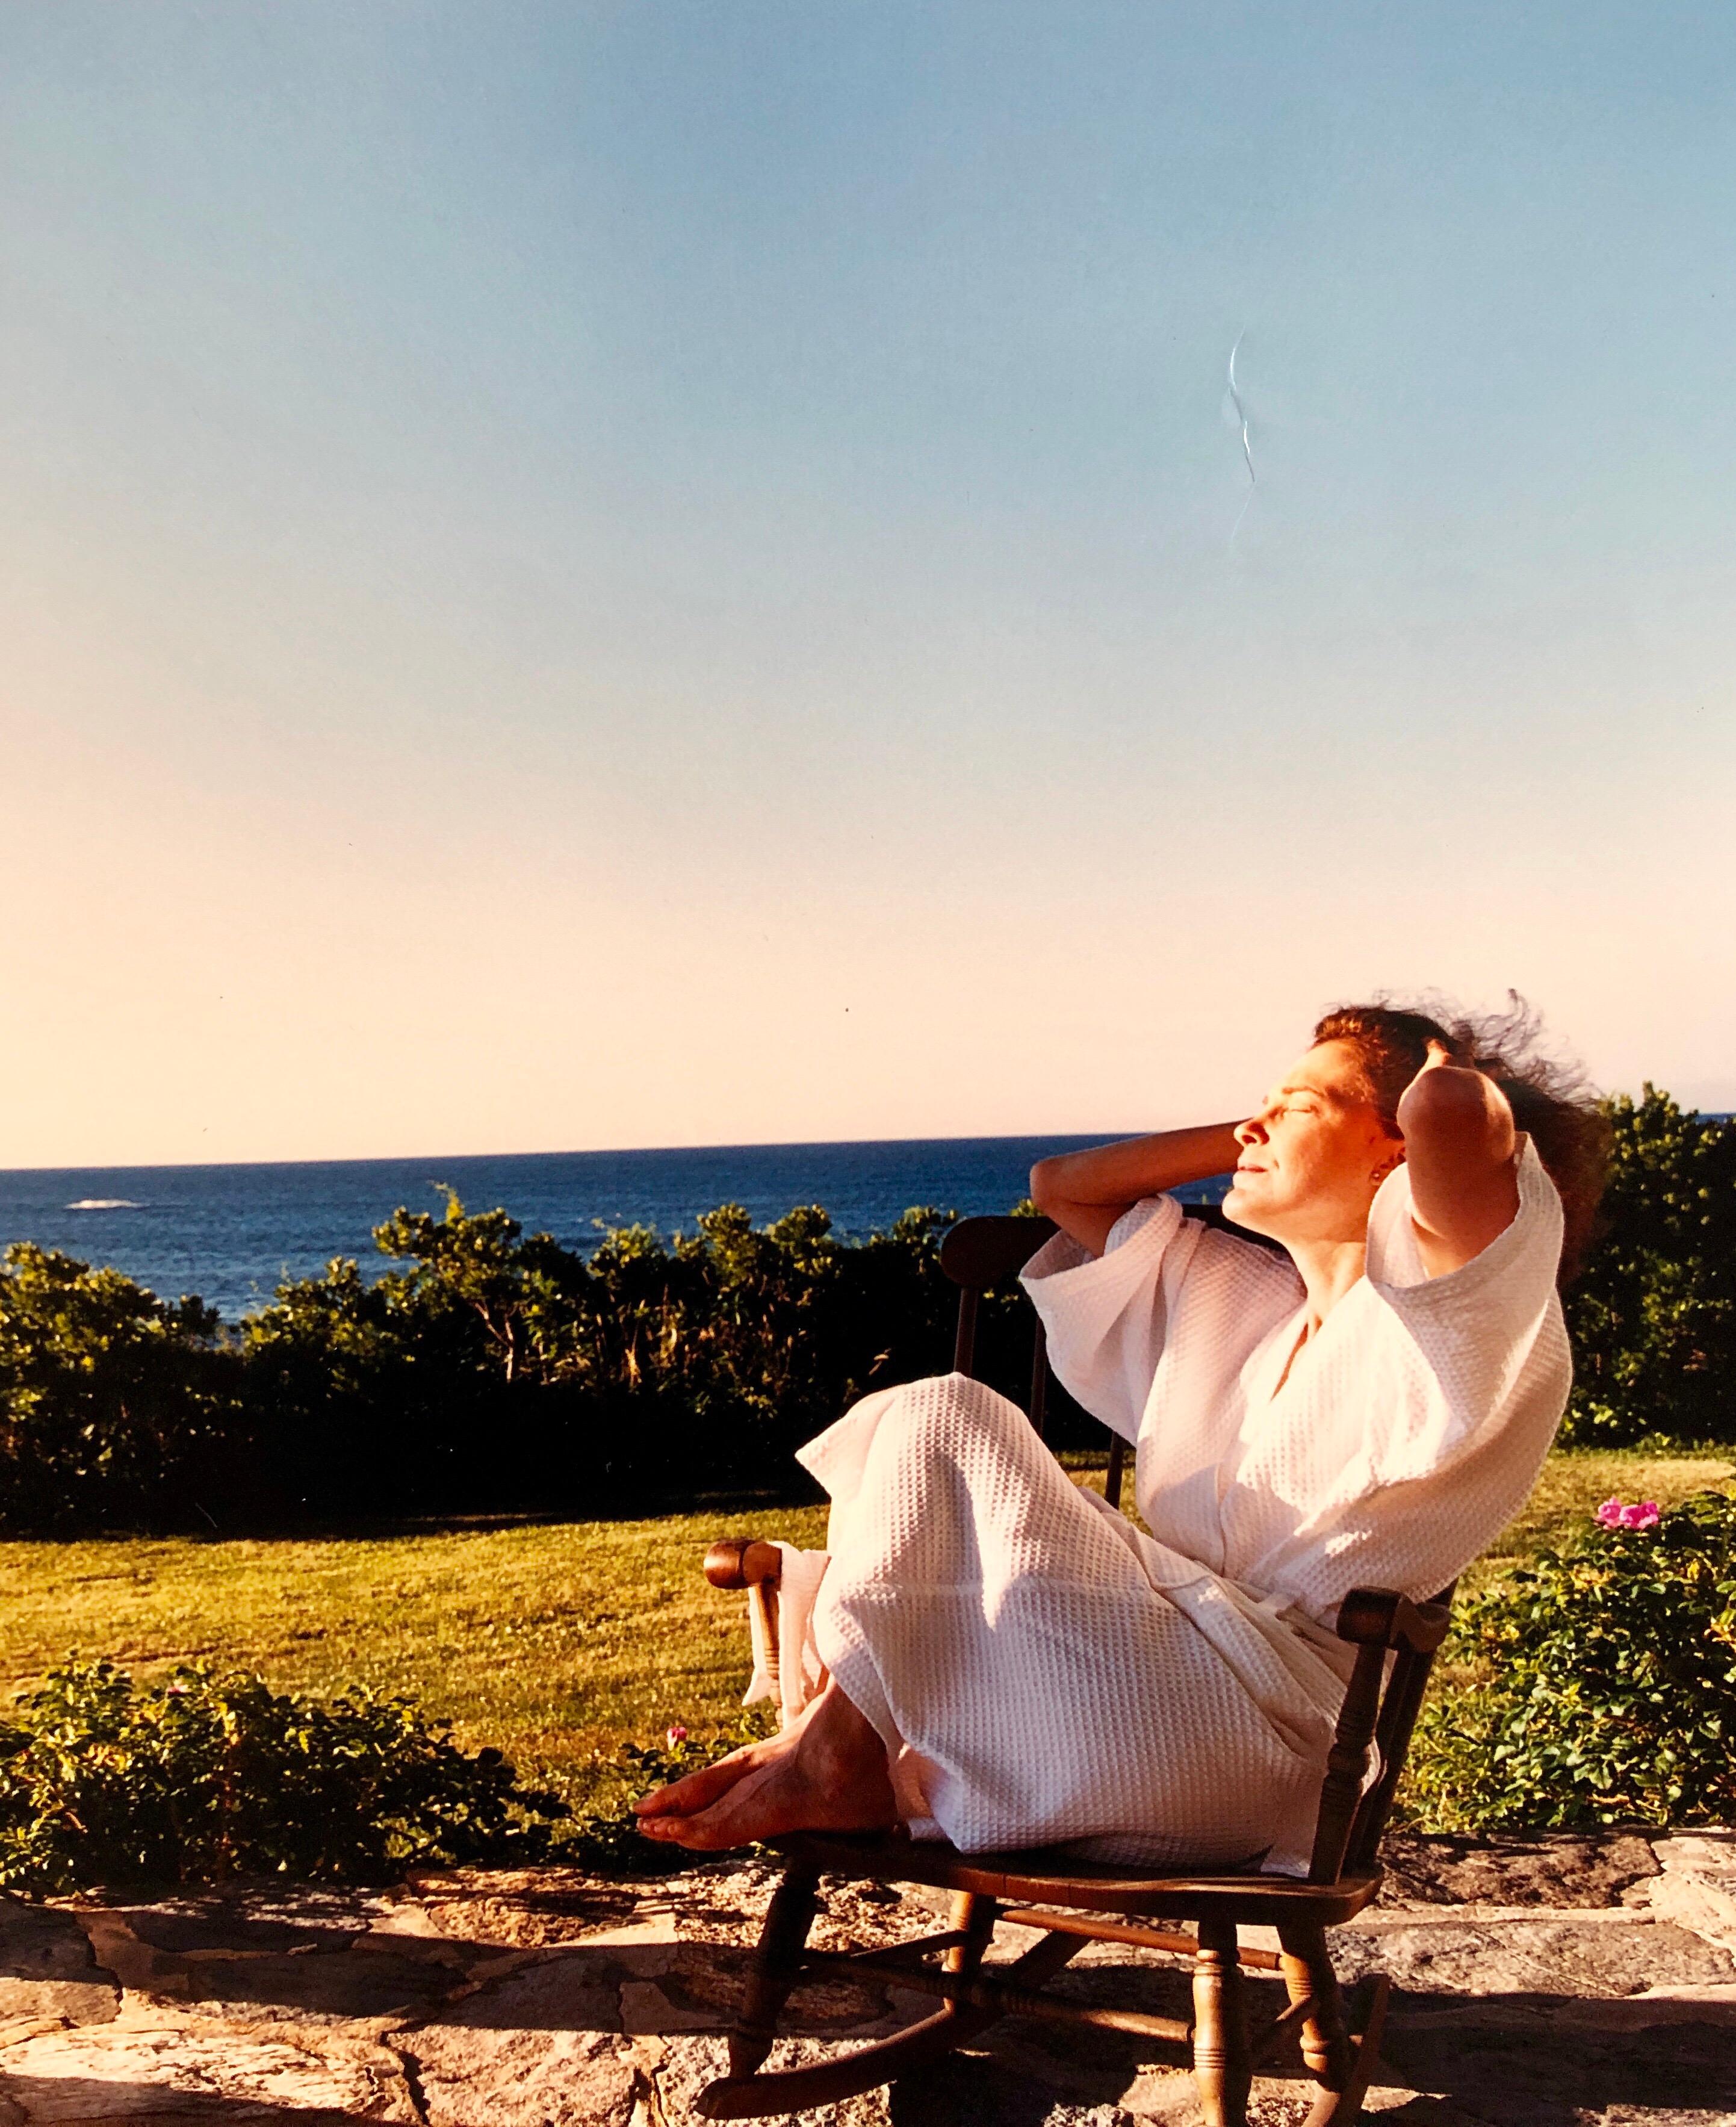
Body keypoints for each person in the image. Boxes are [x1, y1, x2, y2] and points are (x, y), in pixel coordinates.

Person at [635, 998, 1608, 1870]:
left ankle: (840, 1752)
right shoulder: (1232, 1297)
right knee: (929, 1417)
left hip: (1264, 1741)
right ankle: (847, 1742)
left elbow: (1457, 1124)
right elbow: (1064, 1184)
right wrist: (1271, 1126)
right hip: (1122, 1702)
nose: (1254, 1125)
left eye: (1300, 1105)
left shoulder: (1446, 1321)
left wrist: (1437, 1067)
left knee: (950, 1413)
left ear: (1395, 1148)